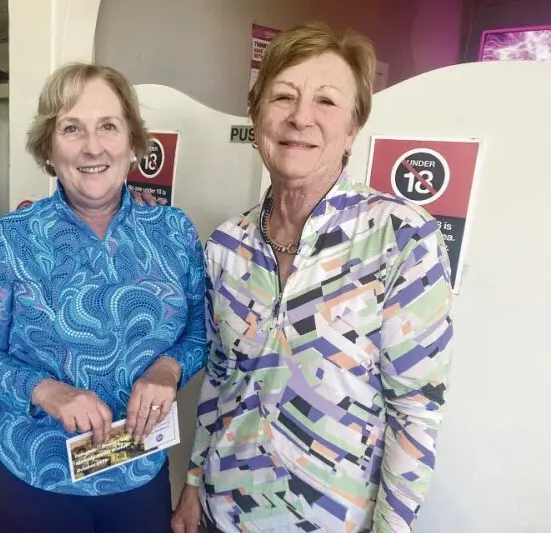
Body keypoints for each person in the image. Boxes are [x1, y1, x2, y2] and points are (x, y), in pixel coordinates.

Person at [171, 22, 454, 533]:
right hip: (222, 512)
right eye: (283, 96)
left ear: (351, 130)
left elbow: (415, 413)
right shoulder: (226, 246)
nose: (300, 116)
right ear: (257, 116)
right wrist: (193, 483)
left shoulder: (401, 237)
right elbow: (218, 380)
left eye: (326, 101)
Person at [0, 62, 207, 533]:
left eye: (108, 127)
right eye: (71, 128)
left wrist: (168, 368)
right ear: (49, 148)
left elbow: (199, 331)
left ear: (133, 143)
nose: (92, 147)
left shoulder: (174, 232)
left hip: (138, 469)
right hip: (33, 473)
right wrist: (45, 390)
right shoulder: (12, 239)